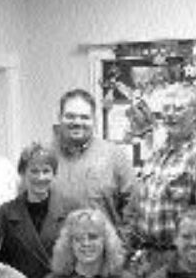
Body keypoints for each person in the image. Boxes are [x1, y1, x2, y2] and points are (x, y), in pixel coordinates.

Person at [127, 83, 196, 277]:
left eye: (178, 108)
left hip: (181, 263)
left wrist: (189, 268)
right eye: (166, 108)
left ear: (194, 113)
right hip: (146, 260)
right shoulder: (157, 153)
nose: (170, 114)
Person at [0, 142, 79, 278]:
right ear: (22, 173)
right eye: (34, 171)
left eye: (46, 171)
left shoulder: (72, 210)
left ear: (54, 174)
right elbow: (0, 262)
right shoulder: (5, 213)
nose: (40, 177)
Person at [52, 89, 135, 229]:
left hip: (104, 243)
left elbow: (133, 208)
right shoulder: (45, 157)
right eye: (70, 116)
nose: (77, 122)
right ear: (59, 117)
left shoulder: (115, 157)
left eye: (84, 117)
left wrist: (121, 241)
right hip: (55, 243)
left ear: (94, 120)